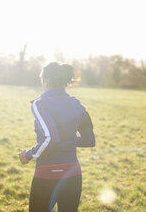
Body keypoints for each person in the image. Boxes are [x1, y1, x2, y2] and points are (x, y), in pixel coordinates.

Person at [18, 62, 96, 212]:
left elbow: (50, 138)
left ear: (45, 80)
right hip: (73, 175)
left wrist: (27, 155)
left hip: (47, 175)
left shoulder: (40, 104)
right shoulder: (77, 104)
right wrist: (69, 140)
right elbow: (89, 140)